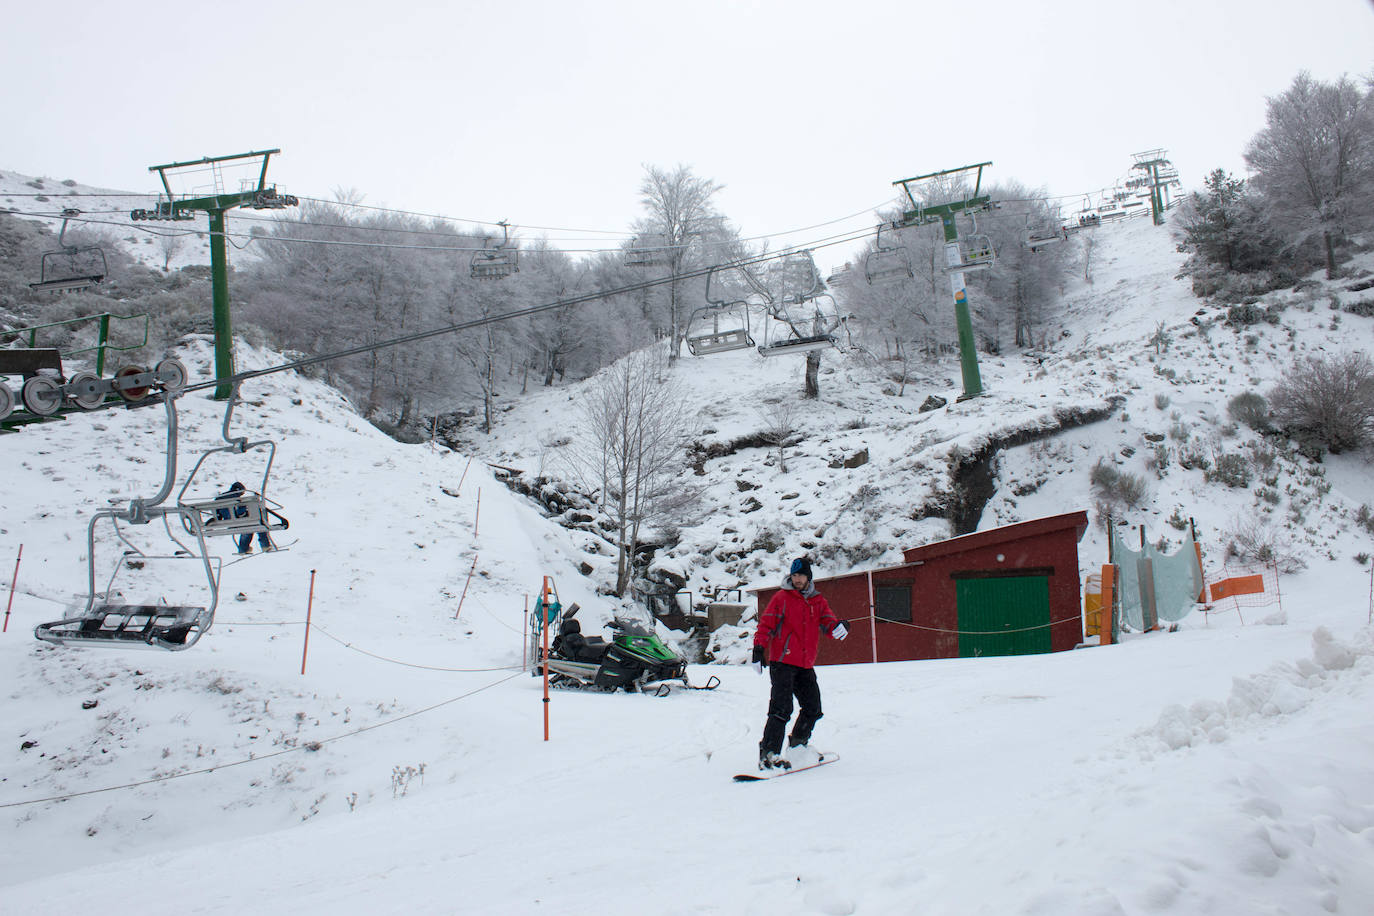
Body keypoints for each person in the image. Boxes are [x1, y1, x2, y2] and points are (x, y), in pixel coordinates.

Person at [751, 556, 848, 770]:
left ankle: (798, 747)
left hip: (805, 664)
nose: (797, 579)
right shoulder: (781, 598)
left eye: (801, 575)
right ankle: (769, 754)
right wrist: (759, 649)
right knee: (781, 709)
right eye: (794, 575)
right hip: (782, 662)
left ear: (808, 577)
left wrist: (840, 626)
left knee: (813, 708)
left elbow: (828, 622)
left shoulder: (817, 601)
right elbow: (766, 625)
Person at [217, 481, 273, 555]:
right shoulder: (236, 499)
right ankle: (265, 545)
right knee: (257, 522)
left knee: (249, 525)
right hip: (238, 521)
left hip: (228, 522)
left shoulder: (219, 498)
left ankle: (243, 549)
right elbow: (240, 512)